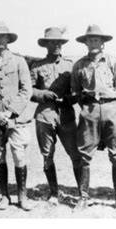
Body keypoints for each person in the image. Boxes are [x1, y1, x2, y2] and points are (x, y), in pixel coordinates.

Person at [71, 24, 116, 210]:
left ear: (103, 42)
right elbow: (76, 92)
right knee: (85, 155)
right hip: (89, 111)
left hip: (111, 108)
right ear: (85, 42)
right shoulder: (79, 65)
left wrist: (110, 107)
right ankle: (83, 197)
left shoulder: (113, 62)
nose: (93, 42)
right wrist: (90, 109)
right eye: (90, 39)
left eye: (97, 39)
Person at [0, 22, 33, 211]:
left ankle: (22, 195)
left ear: (8, 40)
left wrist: (10, 112)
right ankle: (4, 195)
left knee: (19, 155)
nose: (0, 40)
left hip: (15, 117)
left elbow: (26, 90)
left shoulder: (19, 61)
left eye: (3, 36)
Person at [30, 27, 82, 205]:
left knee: (76, 154)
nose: (57, 45)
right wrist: (43, 95)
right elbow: (28, 90)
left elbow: (77, 90)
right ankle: (53, 193)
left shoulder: (70, 66)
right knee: (47, 156)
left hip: (66, 115)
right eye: (52, 42)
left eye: (59, 42)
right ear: (46, 45)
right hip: (45, 116)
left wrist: (69, 98)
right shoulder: (37, 66)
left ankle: (82, 193)